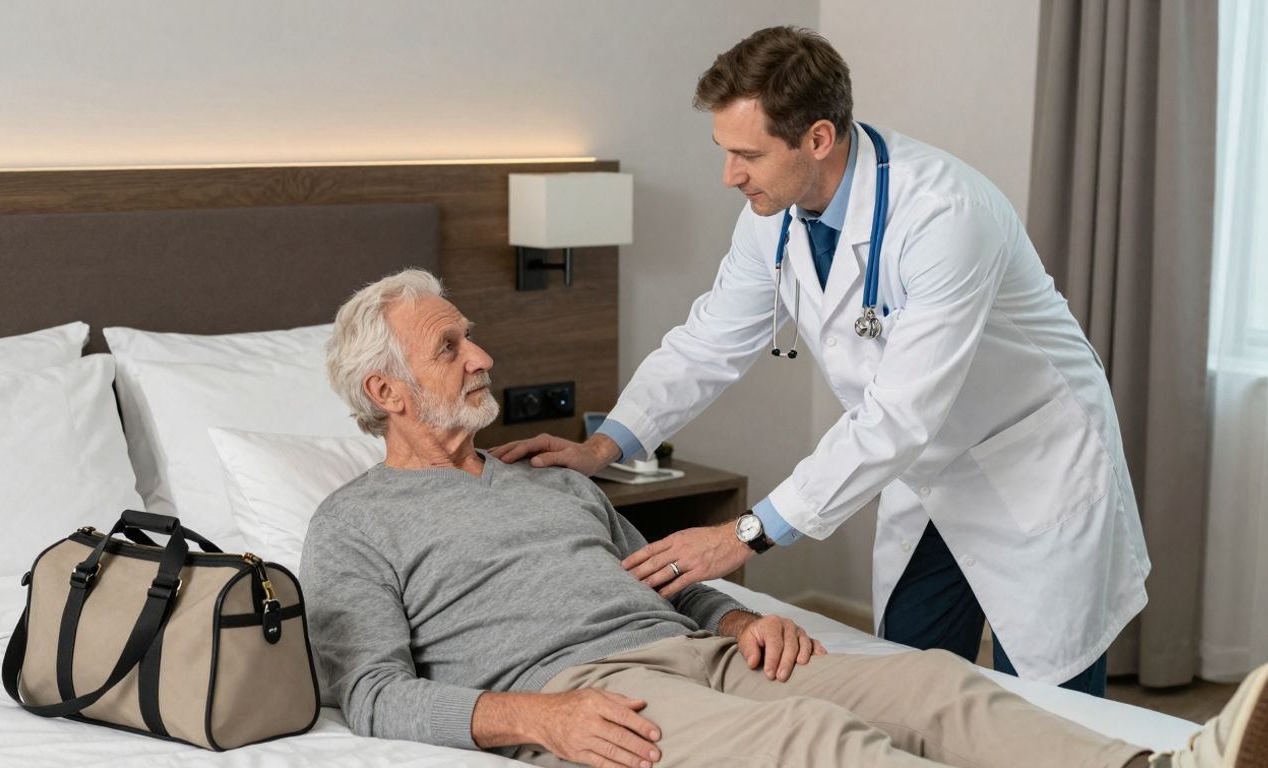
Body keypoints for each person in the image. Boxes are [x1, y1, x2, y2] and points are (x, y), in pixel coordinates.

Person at [300, 269, 1265, 768]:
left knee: (933, 685)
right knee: (818, 745)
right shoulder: (356, 522)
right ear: (387, 391)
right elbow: (372, 692)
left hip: (702, 655)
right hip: (592, 693)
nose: (482, 358)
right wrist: (536, 718)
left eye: (471, 338)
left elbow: (666, 578)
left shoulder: (550, 479)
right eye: (451, 347)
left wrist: (735, 618)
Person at [490, 25, 1148, 697]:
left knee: (1056, 710)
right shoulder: (771, 213)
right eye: (724, 151)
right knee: (913, 686)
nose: (729, 175)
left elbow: (897, 416)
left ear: (819, 138)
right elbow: (709, 340)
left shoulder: (945, 215)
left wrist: (743, 535)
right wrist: (603, 447)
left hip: (1031, 462)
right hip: (926, 473)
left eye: (748, 154)